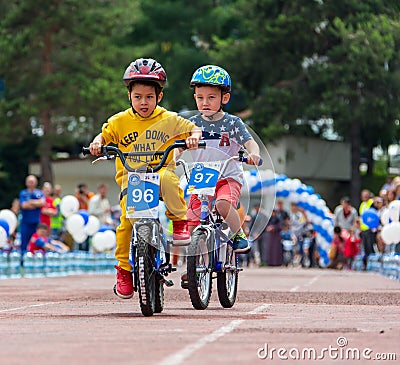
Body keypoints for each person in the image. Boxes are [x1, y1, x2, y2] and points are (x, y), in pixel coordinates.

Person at [89, 58, 201, 299]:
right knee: (126, 224)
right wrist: (98, 143)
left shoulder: (169, 119)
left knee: (170, 181)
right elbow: (103, 135)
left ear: (159, 97)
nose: (143, 102)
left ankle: (179, 221)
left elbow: (193, 128)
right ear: (129, 95)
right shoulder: (119, 121)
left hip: (160, 174)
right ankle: (123, 269)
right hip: (133, 180)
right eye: (138, 96)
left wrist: (192, 137)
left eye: (149, 97)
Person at [185, 64, 261, 254]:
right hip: (202, 178)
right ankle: (198, 264)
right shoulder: (192, 124)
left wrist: (254, 153)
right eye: (200, 97)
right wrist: (172, 157)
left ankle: (238, 234)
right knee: (191, 218)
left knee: (222, 204)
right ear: (195, 98)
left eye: (211, 97)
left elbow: (250, 143)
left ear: (224, 98)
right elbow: (179, 147)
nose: (205, 102)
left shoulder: (232, 123)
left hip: (228, 177)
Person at [19, 175, 45, 259]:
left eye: (33, 182)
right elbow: (24, 205)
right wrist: (36, 204)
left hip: (36, 222)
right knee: (24, 242)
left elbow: (42, 203)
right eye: (29, 182)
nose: (31, 183)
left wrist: (30, 202)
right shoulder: (23, 193)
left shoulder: (39, 193)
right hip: (26, 222)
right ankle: (22, 260)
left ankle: (36, 260)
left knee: (38, 241)